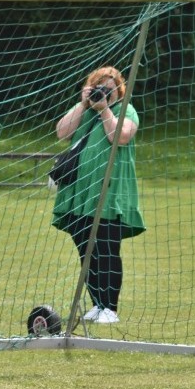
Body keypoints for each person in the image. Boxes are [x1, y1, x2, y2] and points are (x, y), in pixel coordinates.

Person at [52, 65, 145, 325]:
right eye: (98, 87)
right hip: (80, 194)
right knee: (86, 250)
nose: (103, 92)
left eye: (109, 88)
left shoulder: (125, 111)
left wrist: (104, 110)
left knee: (106, 250)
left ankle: (110, 307)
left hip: (109, 194)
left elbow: (121, 136)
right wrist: (83, 104)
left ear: (118, 90)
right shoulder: (84, 112)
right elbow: (62, 132)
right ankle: (97, 304)